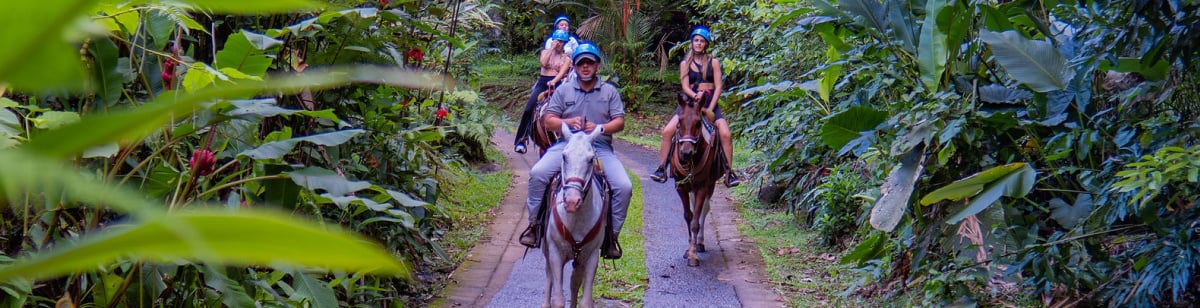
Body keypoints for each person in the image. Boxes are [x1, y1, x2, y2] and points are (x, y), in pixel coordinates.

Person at [518, 42, 632, 259]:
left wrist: (599, 128)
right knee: (538, 173)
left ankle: (611, 237)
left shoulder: (609, 92)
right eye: (581, 64)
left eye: (590, 63)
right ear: (575, 67)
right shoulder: (564, 90)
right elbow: (549, 120)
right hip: (566, 145)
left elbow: (619, 122)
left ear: (597, 66)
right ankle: (534, 225)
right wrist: (568, 122)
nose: (586, 67)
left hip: (599, 147)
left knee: (624, 186)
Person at [649, 25, 742, 187]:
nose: (698, 43)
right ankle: (662, 167)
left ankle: (729, 172)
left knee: (725, 134)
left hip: (710, 101)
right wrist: (694, 96)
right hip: (689, 104)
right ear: (692, 42)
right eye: (696, 40)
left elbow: (719, 86)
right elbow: (685, 86)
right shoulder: (685, 63)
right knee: (667, 131)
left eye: (702, 41)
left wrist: (711, 108)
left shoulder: (714, 63)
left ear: (706, 44)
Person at [514, 29, 572, 154]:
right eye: (558, 41)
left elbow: (561, 74)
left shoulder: (566, 59)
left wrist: (554, 81)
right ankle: (521, 139)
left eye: (562, 42)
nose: (559, 44)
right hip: (542, 82)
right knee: (529, 108)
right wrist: (552, 49)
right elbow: (543, 62)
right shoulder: (545, 52)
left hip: (556, 84)